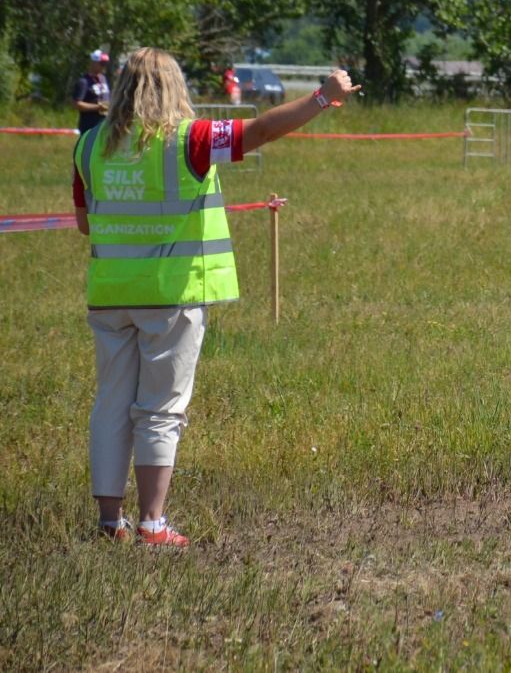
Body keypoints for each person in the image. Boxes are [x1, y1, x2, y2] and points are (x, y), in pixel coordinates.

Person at [72, 47, 358, 546]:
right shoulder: (191, 140)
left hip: (109, 297)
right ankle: (153, 524)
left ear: (119, 88)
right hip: (171, 296)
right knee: (160, 409)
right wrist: (322, 97)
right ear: (175, 88)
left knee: (111, 405)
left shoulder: (89, 145)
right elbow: (262, 131)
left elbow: (83, 223)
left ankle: (108, 524)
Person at [71, 49, 114, 134]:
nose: (104, 66)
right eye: (101, 64)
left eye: (105, 64)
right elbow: (77, 104)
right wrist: (98, 107)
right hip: (89, 126)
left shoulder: (103, 79)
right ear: (93, 63)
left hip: (104, 123)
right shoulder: (84, 82)